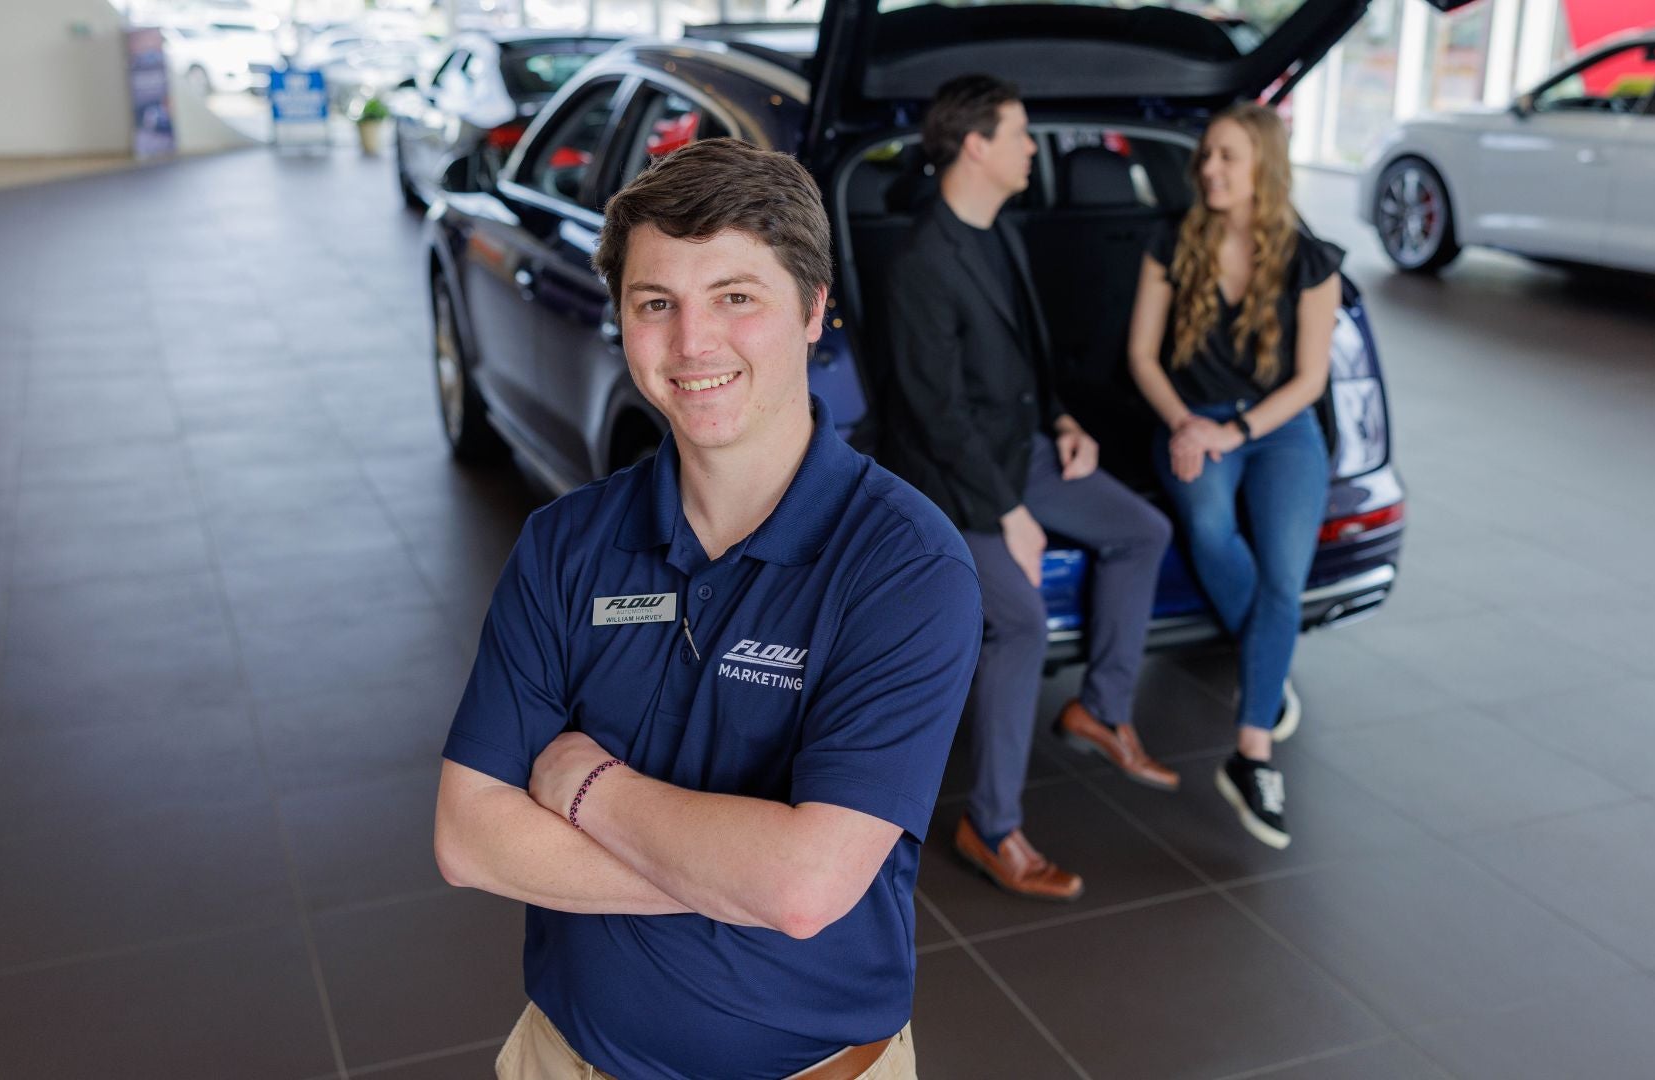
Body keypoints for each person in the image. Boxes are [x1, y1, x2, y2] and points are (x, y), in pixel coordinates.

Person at [433, 137, 983, 1080]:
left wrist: (583, 788)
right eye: (657, 304)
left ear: (813, 311)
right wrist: (739, 876)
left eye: (736, 297)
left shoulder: (906, 565)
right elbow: (468, 838)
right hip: (564, 1062)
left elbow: (807, 888)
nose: (693, 343)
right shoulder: (565, 544)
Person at [882, 74, 1176, 903]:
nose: (1030, 148)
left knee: (1141, 531)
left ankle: (1101, 709)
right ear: (976, 145)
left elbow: (1022, 363)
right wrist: (1009, 514)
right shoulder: (919, 262)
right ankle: (994, 827)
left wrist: (1061, 421)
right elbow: (934, 416)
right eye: (1018, 133)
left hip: (1023, 453)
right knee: (1018, 621)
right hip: (948, 482)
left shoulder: (998, 232)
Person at [1125, 102, 1343, 851]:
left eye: (1228, 158)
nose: (1211, 170)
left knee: (1286, 579)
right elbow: (1143, 357)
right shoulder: (1171, 242)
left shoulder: (1311, 260)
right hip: (1192, 420)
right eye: (1207, 156)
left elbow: (1311, 379)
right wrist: (1189, 424)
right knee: (1212, 528)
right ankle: (1267, 667)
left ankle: (1251, 755)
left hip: (1279, 429)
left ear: (1264, 171)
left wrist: (1237, 430)